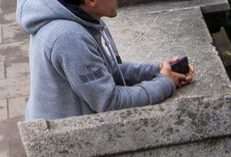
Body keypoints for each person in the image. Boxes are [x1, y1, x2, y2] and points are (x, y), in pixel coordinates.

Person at [18, 0, 193, 121]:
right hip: (69, 144)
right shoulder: (69, 38)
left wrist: (157, 70)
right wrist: (165, 83)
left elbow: (109, 70)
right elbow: (109, 102)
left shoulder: (76, 17)